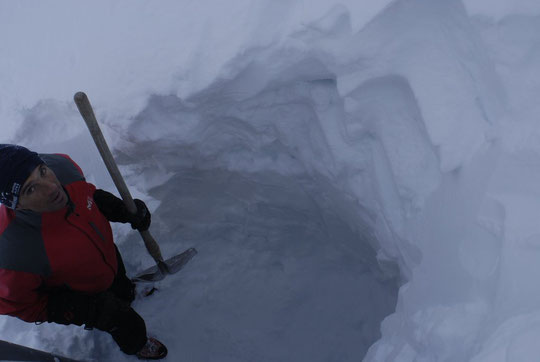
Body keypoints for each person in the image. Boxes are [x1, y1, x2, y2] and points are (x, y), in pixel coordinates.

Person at [0, 144, 168, 360]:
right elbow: (19, 305)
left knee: (121, 284)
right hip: (86, 293)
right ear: (17, 205)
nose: (51, 187)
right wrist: (80, 309)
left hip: (106, 254)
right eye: (30, 189)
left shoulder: (62, 168)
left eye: (42, 171)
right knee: (125, 322)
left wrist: (114, 206)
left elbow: (85, 193)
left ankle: (127, 295)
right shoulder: (13, 255)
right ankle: (137, 345)